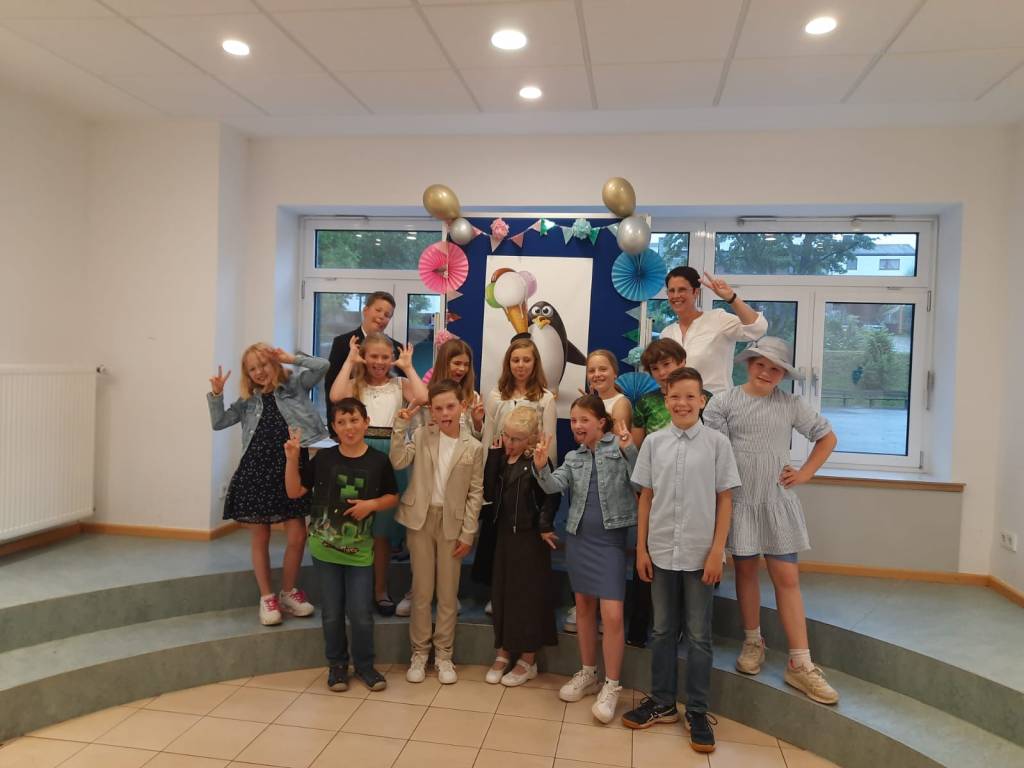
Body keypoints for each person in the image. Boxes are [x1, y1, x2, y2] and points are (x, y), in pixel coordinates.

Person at [703, 337, 840, 705]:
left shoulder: (790, 404)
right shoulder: (723, 403)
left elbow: (827, 438)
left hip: (776, 501)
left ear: (783, 374)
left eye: (775, 368)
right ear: (748, 364)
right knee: (746, 573)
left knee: (787, 578)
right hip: (740, 502)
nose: (766, 372)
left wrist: (805, 473)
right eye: (760, 364)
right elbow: (716, 455)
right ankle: (753, 641)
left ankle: (800, 662)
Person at [623, 367, 740, 754]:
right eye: (675, 396)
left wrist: (717, 551)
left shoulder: (718, 444)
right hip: (660, 551)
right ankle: (662, 701)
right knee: (661, 630)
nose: (682, 403)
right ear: (666, 399)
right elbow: (646, 497)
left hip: (700, 555)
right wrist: (642, 549)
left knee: (699, 635)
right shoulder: (654, 443)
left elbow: (725, 499)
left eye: (690, 396)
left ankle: (698, 711)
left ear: (702, 400)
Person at [533, 395, 637, 725]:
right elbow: (553, 485)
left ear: (601, 422)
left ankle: (612, 684)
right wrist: (541, 467)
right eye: (574, 420)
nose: (577, 425)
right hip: (579, 540)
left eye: (584, 420)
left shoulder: (619, 448)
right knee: (584, 608)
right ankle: (589, 673)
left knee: (613, 615)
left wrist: (630, 450)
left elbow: (640, 481)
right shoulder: (572, 457)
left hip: (610, 542)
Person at [283, 398, 397, 693]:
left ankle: (365, 666)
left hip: (360, 552)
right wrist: (292, 459)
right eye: (341, 422)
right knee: (332, 612)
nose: (349, 427)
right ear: (333, 427)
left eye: (354, 420)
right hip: (325, 550)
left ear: (366, 422)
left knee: (360, 613)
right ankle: (337, 665)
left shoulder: (378, 461)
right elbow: (294, 491)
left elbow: (392, 496)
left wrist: (371, 505)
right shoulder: (324, 459)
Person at [208, 344, 326, 625]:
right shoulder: (248, 401)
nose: (259, 372)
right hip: (256, 471)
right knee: (260, 536)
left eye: (263, 364)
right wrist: (217, 394)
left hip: (291, 469)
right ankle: (267, 597)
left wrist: (291, 358)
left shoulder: (295, 386)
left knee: (297, 535)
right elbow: (219, 422)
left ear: (274, 362)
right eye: (252, 368)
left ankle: (288, 592)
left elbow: (323, 366)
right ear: (247, 374)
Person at [390, 379, 484, 685]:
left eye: (450, 407)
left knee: (447, 594)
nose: (445, 413)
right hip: (420, 520)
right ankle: (419, 652)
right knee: (421, 591)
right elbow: (398, 460)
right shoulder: (421, 435)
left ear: (462, 407)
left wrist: (468, 533)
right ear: (431, 410)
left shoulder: (474, 447)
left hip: (452, 525)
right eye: (438, 408)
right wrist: (399, 428)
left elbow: (475, 493)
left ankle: (444, 654)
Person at [329, 333, 428, 616]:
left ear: (392, 359)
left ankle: (380, 589)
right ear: (364, 356)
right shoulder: (355, 385)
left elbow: (423, 398)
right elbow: (335, 396)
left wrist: (408, 367)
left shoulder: (399, 384)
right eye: (374, 356)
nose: (380, 362)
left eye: (386, 357)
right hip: (359, 453)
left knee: (381, 532)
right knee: (355, 527)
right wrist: (349, 361)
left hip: (390, 456)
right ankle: (353, 591)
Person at [474, 338, 557, 613]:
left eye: (526, 360)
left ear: (535, 364)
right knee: (497, 534)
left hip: (529, 473)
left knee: (523, 536)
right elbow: (489, 435)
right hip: (501, 470)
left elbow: (549, 439)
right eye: (516, 360)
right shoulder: (496, 395)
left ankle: (521, 592)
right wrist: (485, 472)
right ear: (508, 363)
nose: (521, 365)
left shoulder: (545, 398)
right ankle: (496, 591)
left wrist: (544, 473)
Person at [483, 406, 560, 687]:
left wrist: (544, 525)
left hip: (530, 538)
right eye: (507, 436)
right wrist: (493, 458)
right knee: (502, 593)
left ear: (531, 439)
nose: (509, 443)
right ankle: (504, 650)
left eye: (516, 439)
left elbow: (552, 496)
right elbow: (489, 492)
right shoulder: (502, 458)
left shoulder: (538, 461)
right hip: (504, 535)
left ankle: (528, 658)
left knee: (527, 596)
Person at [624, 338, 688, 647]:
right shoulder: (646, 403)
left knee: (683, 563)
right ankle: (638, 628)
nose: (662, 372)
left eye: (667, 364)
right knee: (646, 556)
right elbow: (637, 450)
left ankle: (678, 626)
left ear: (681, 362)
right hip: (654, 492)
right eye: (655, 368)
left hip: (690, 494)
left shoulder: (701, 398)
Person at [658, 266, 767, 395]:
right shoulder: (666, 334)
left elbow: (757, 328)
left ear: (696, 292)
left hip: (718, 403)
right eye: (671, 291)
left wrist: (731, 298)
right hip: (680, 404)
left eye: (682, 290)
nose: (676, 295)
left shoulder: (718, 319)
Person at [324, 291, 402, 406]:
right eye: (378, 310)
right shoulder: (343, 343)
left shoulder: (397, 348)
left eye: (387, 315)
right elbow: (330, 385)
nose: (381, 317)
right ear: (365, 311)